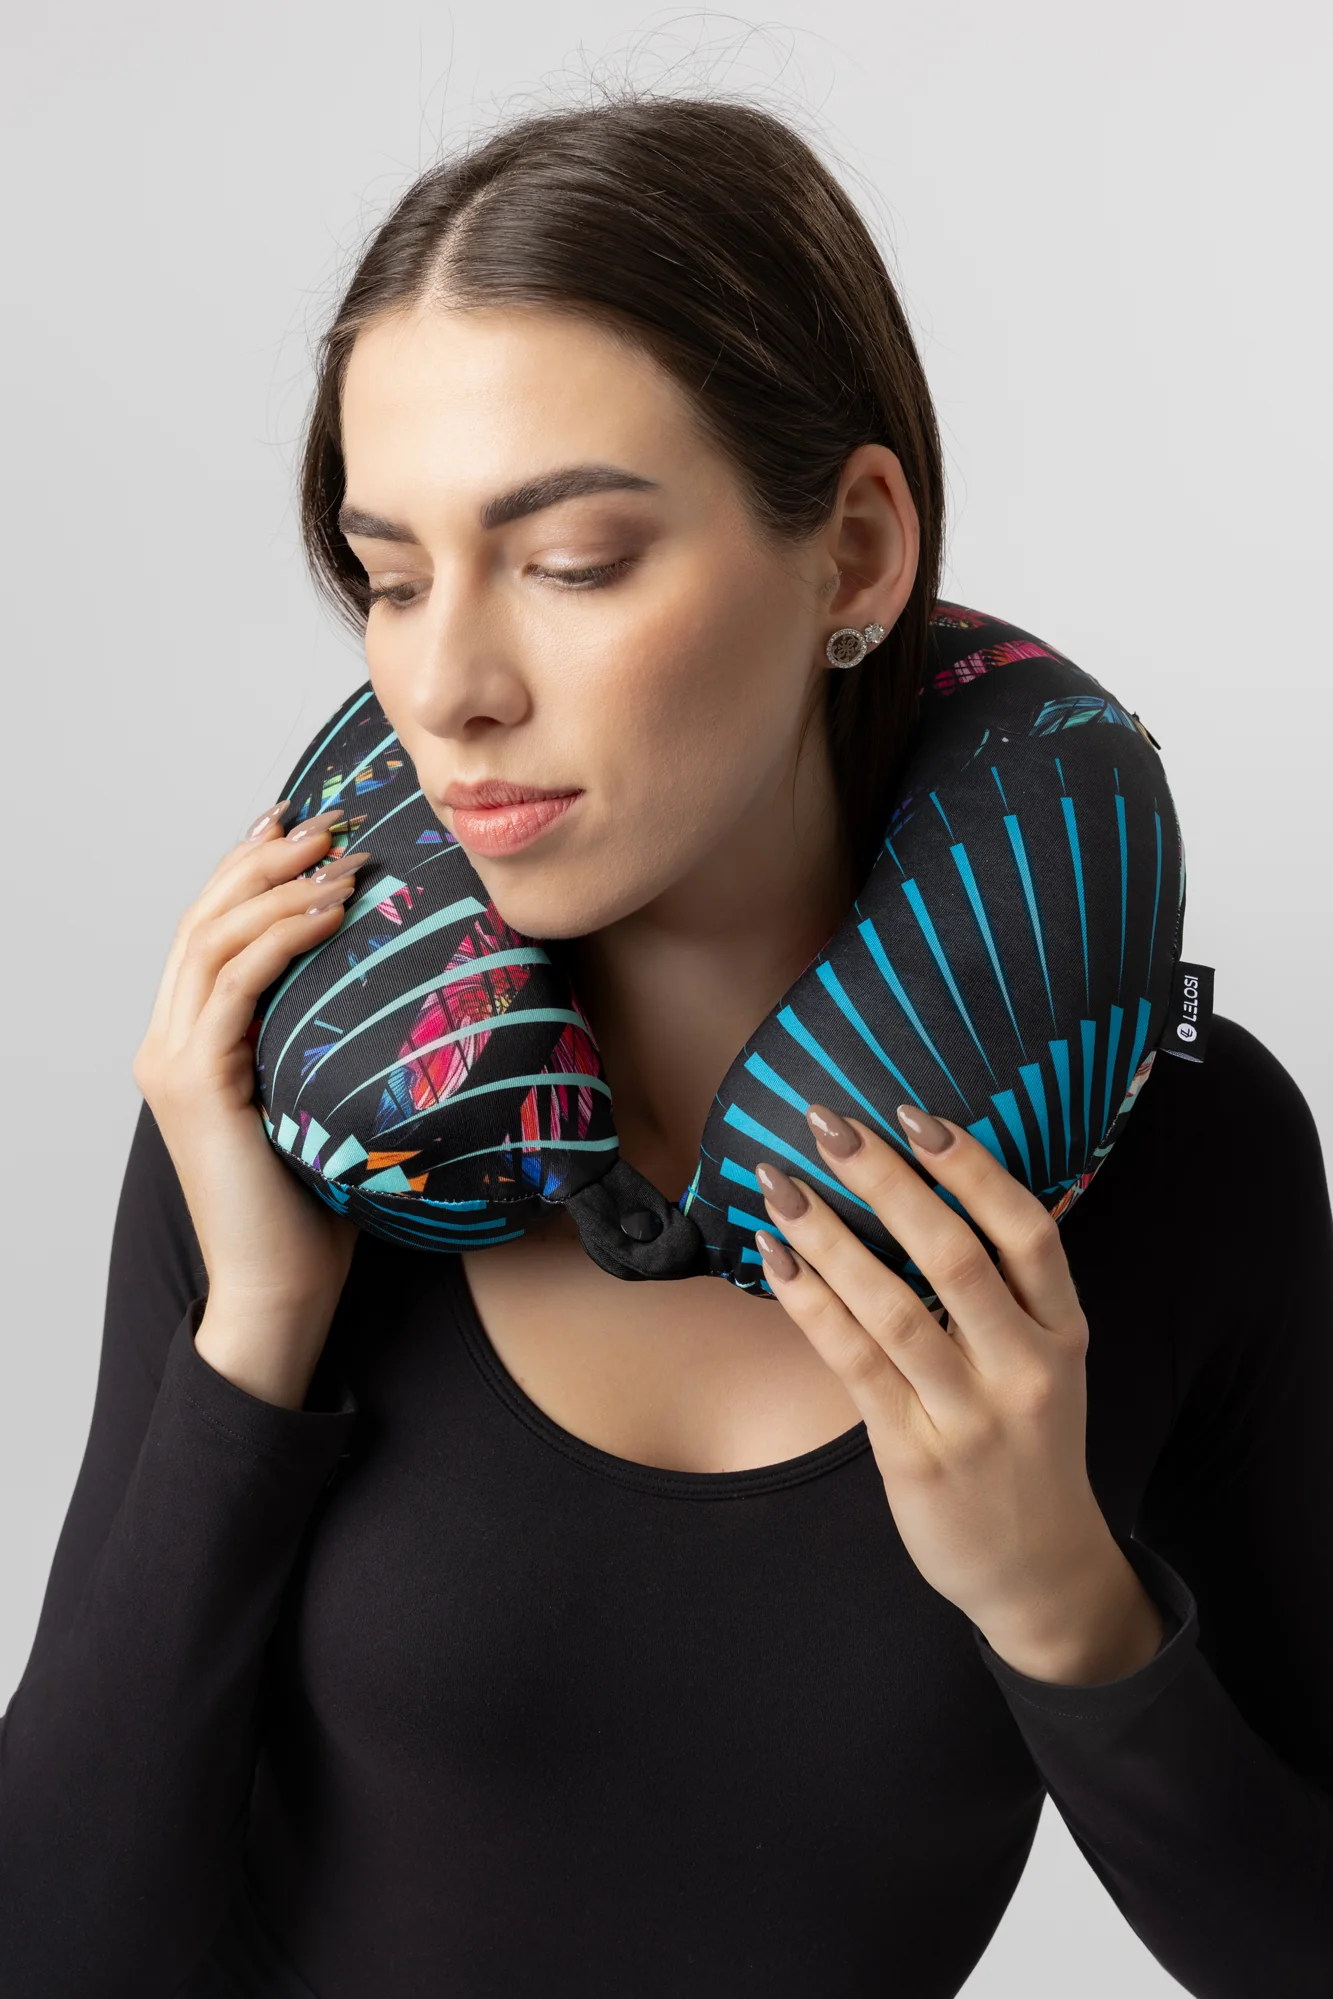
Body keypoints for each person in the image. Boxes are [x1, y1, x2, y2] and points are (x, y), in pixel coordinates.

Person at [2, 93, 1330, 1999]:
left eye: (572, 560)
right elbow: (54, 1946)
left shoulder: (1190, 1161)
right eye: (391, 577)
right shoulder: (291, 1131)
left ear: (854, 551)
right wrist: (256, 1340)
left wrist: (1066, 1607)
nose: (447, 685)